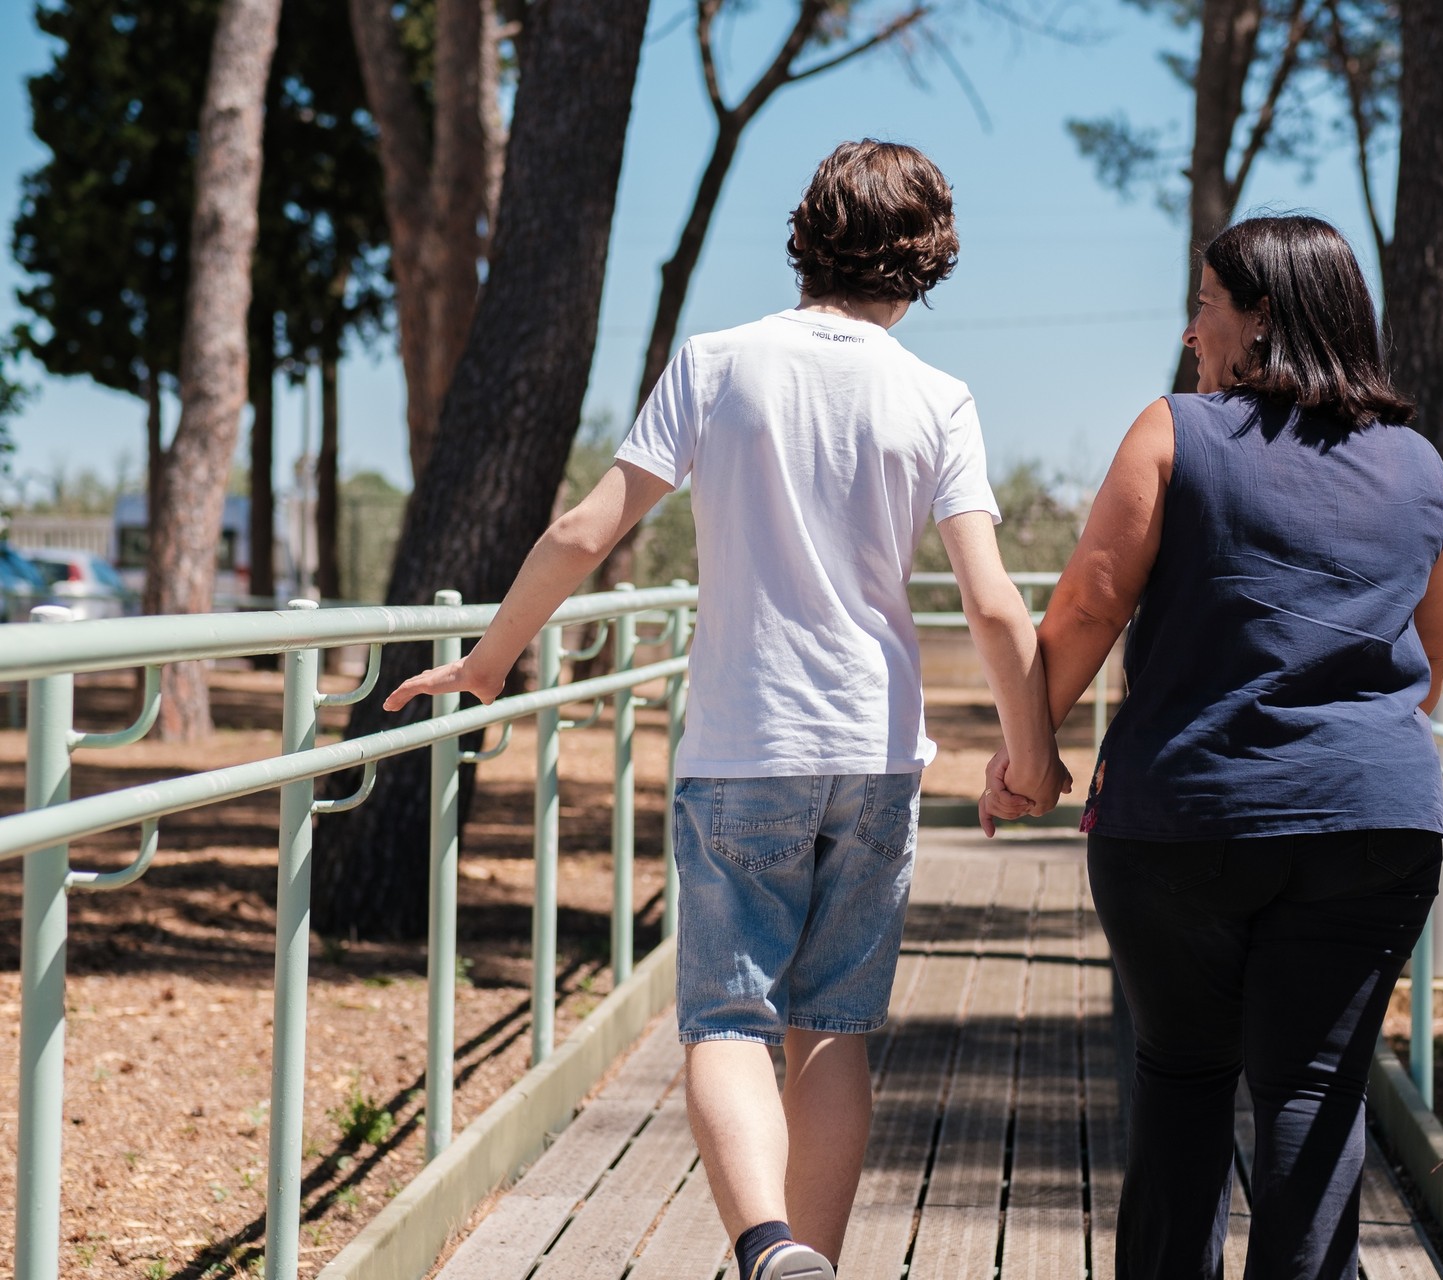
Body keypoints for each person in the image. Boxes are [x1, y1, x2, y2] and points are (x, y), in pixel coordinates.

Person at [387, 139, 1068, 1280]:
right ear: (929, 259)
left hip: (743, 746)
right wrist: (1028, 752)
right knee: (833, 1027)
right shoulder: (937, 397)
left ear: (805, 234)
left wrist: (491, 660)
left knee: (726, 1020)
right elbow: (997, 609)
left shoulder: (717, 363)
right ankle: (815, 1266)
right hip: (874, 750)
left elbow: (581, 532)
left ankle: (765, 1245)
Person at [985, 214, 1443, 1279]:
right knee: (1313, 1092)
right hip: (1372, 822)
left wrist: (1027, 760)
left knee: (1184, 1075)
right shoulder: (1422, 466)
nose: (1191, 329)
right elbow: (1437, 652)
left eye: (1205, 304)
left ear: (1260, 320)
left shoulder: (1173, 433)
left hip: (1182, 823)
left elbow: (1084, 610)